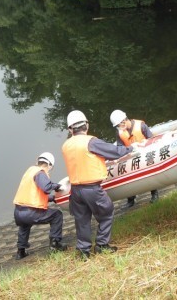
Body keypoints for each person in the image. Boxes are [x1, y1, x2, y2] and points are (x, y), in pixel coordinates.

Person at [62, 110, 135, 259]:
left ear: (70, 129)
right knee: (107, 212)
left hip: (75, 190)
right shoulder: (91, 141)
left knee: (82, 220)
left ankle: (83, 251)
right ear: (86, 125)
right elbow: (113, 151)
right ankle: (102, 245)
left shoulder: (66, 145)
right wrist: (131, 148)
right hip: (92, 188)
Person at [13, 152, 67, 260]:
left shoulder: (29, 172)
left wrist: (53, 199)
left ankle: (21, 251)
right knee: (57, 215)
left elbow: (33, 195)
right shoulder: (40, 173)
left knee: (24, 226)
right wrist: (57, 186)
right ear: (50, 165)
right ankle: (55, 244)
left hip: (18, 212)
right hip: (31, 212)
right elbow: (46, 187)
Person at [110, 109, 159, 207]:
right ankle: (130, 200)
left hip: (144, 154)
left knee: (149, 174)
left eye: (118, 125)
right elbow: (120, 148)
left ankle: (154, 193)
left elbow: (151, 140)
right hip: (131, 156)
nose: (118, 128)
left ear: (124, 121)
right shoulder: (120, 133)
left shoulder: (141, 126)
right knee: (126, 175)